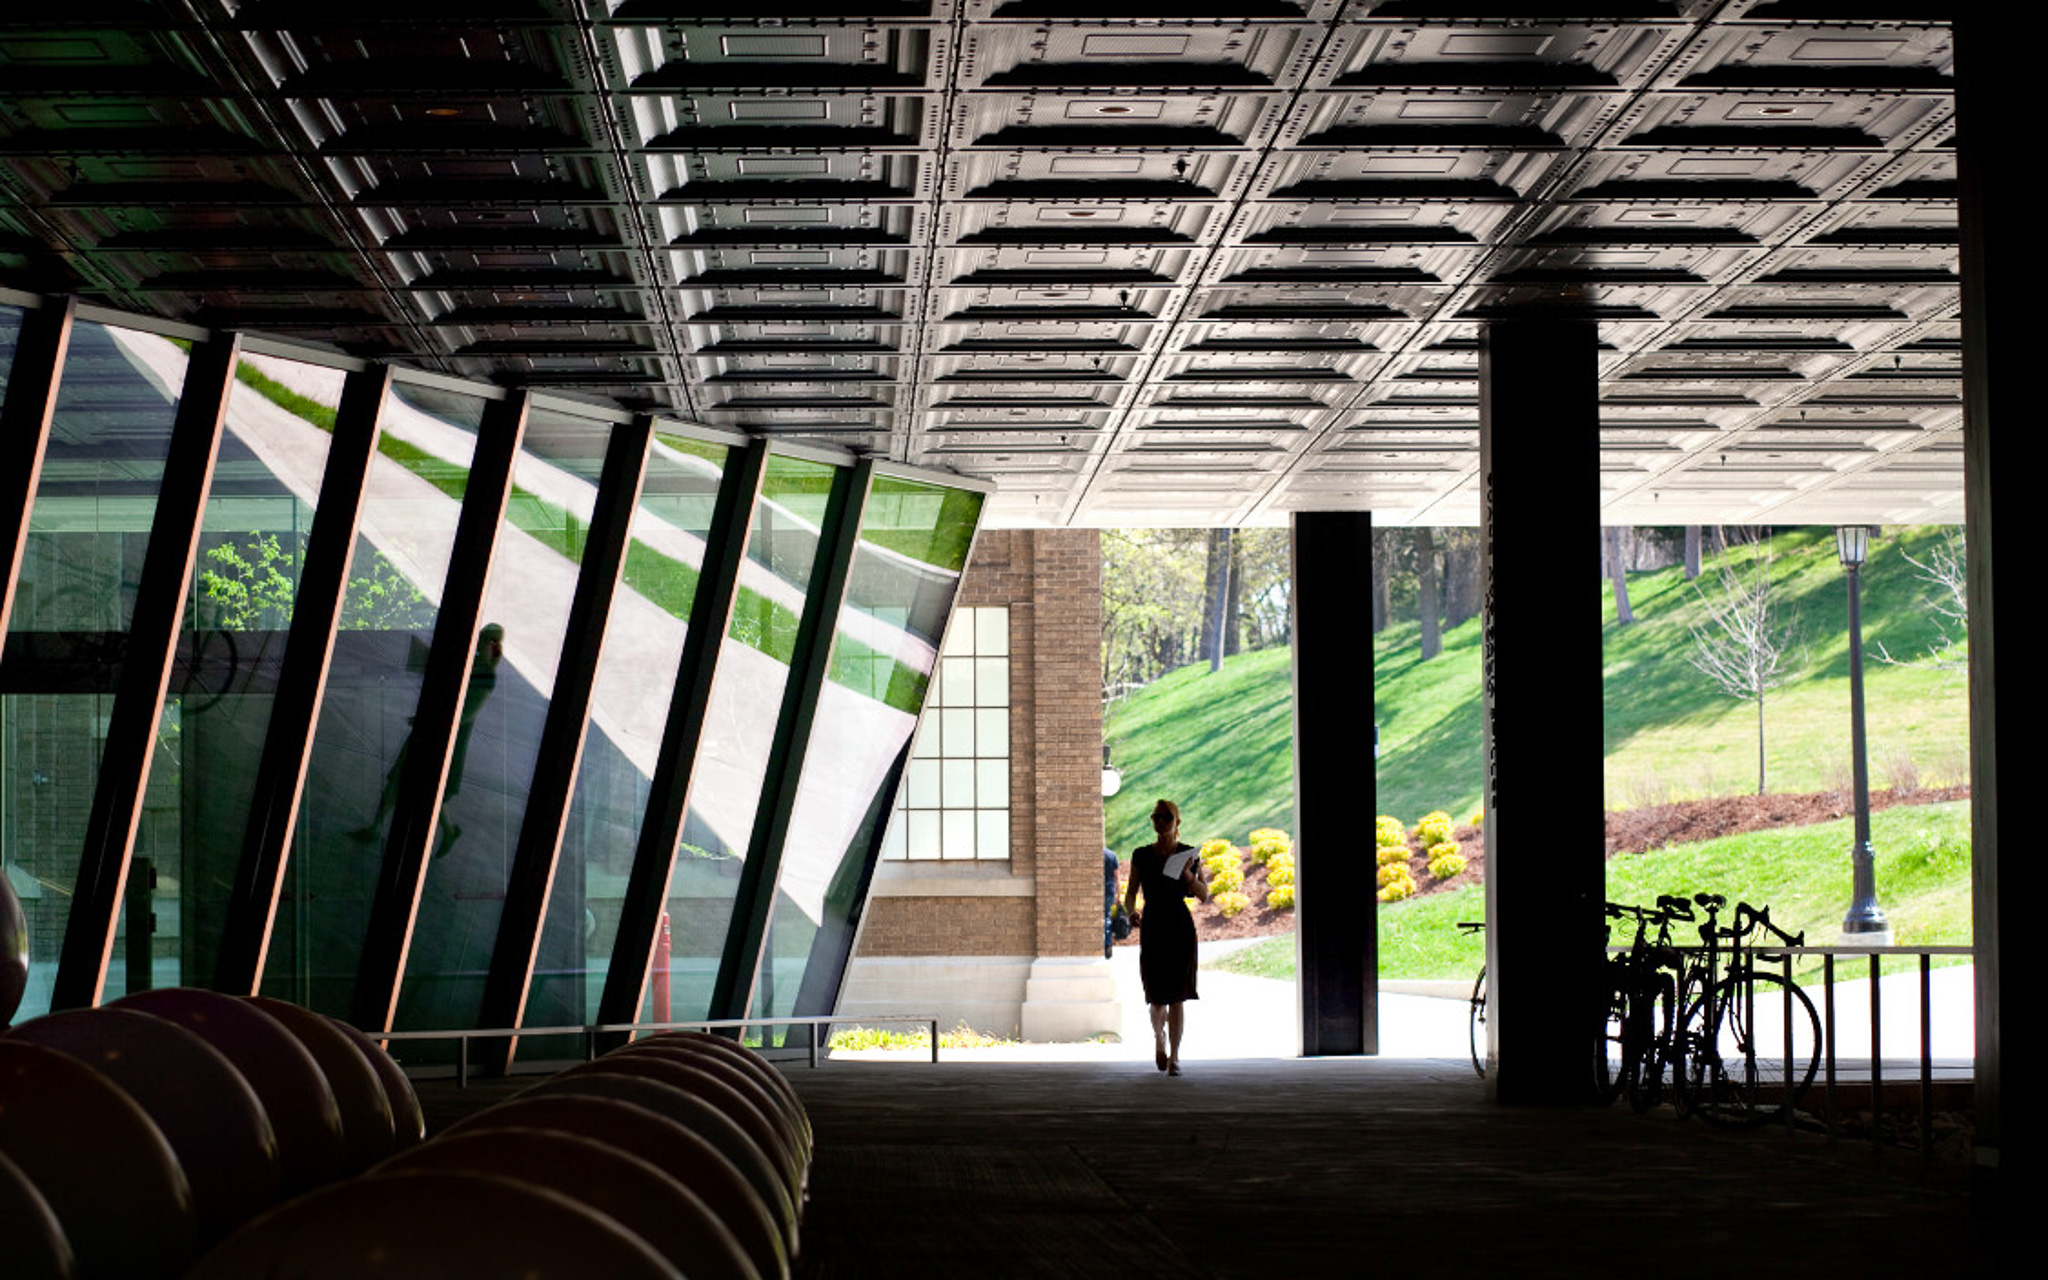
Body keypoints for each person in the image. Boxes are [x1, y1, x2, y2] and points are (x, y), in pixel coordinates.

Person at [1123, 797, 1209, 1076]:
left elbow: (1204, 894)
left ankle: (1175, 1057)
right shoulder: (1142, 855)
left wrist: (1188, 875)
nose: (1160, 822)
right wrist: (1131, 912)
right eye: (1156, 817)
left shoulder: (1188, 854)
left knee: (1178, 996)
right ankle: (1159, 1038)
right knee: (1156, 997)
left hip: (1180, 928)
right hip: (1153, 926)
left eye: (1166, 818)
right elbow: (1131, 893)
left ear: (1176, 822)